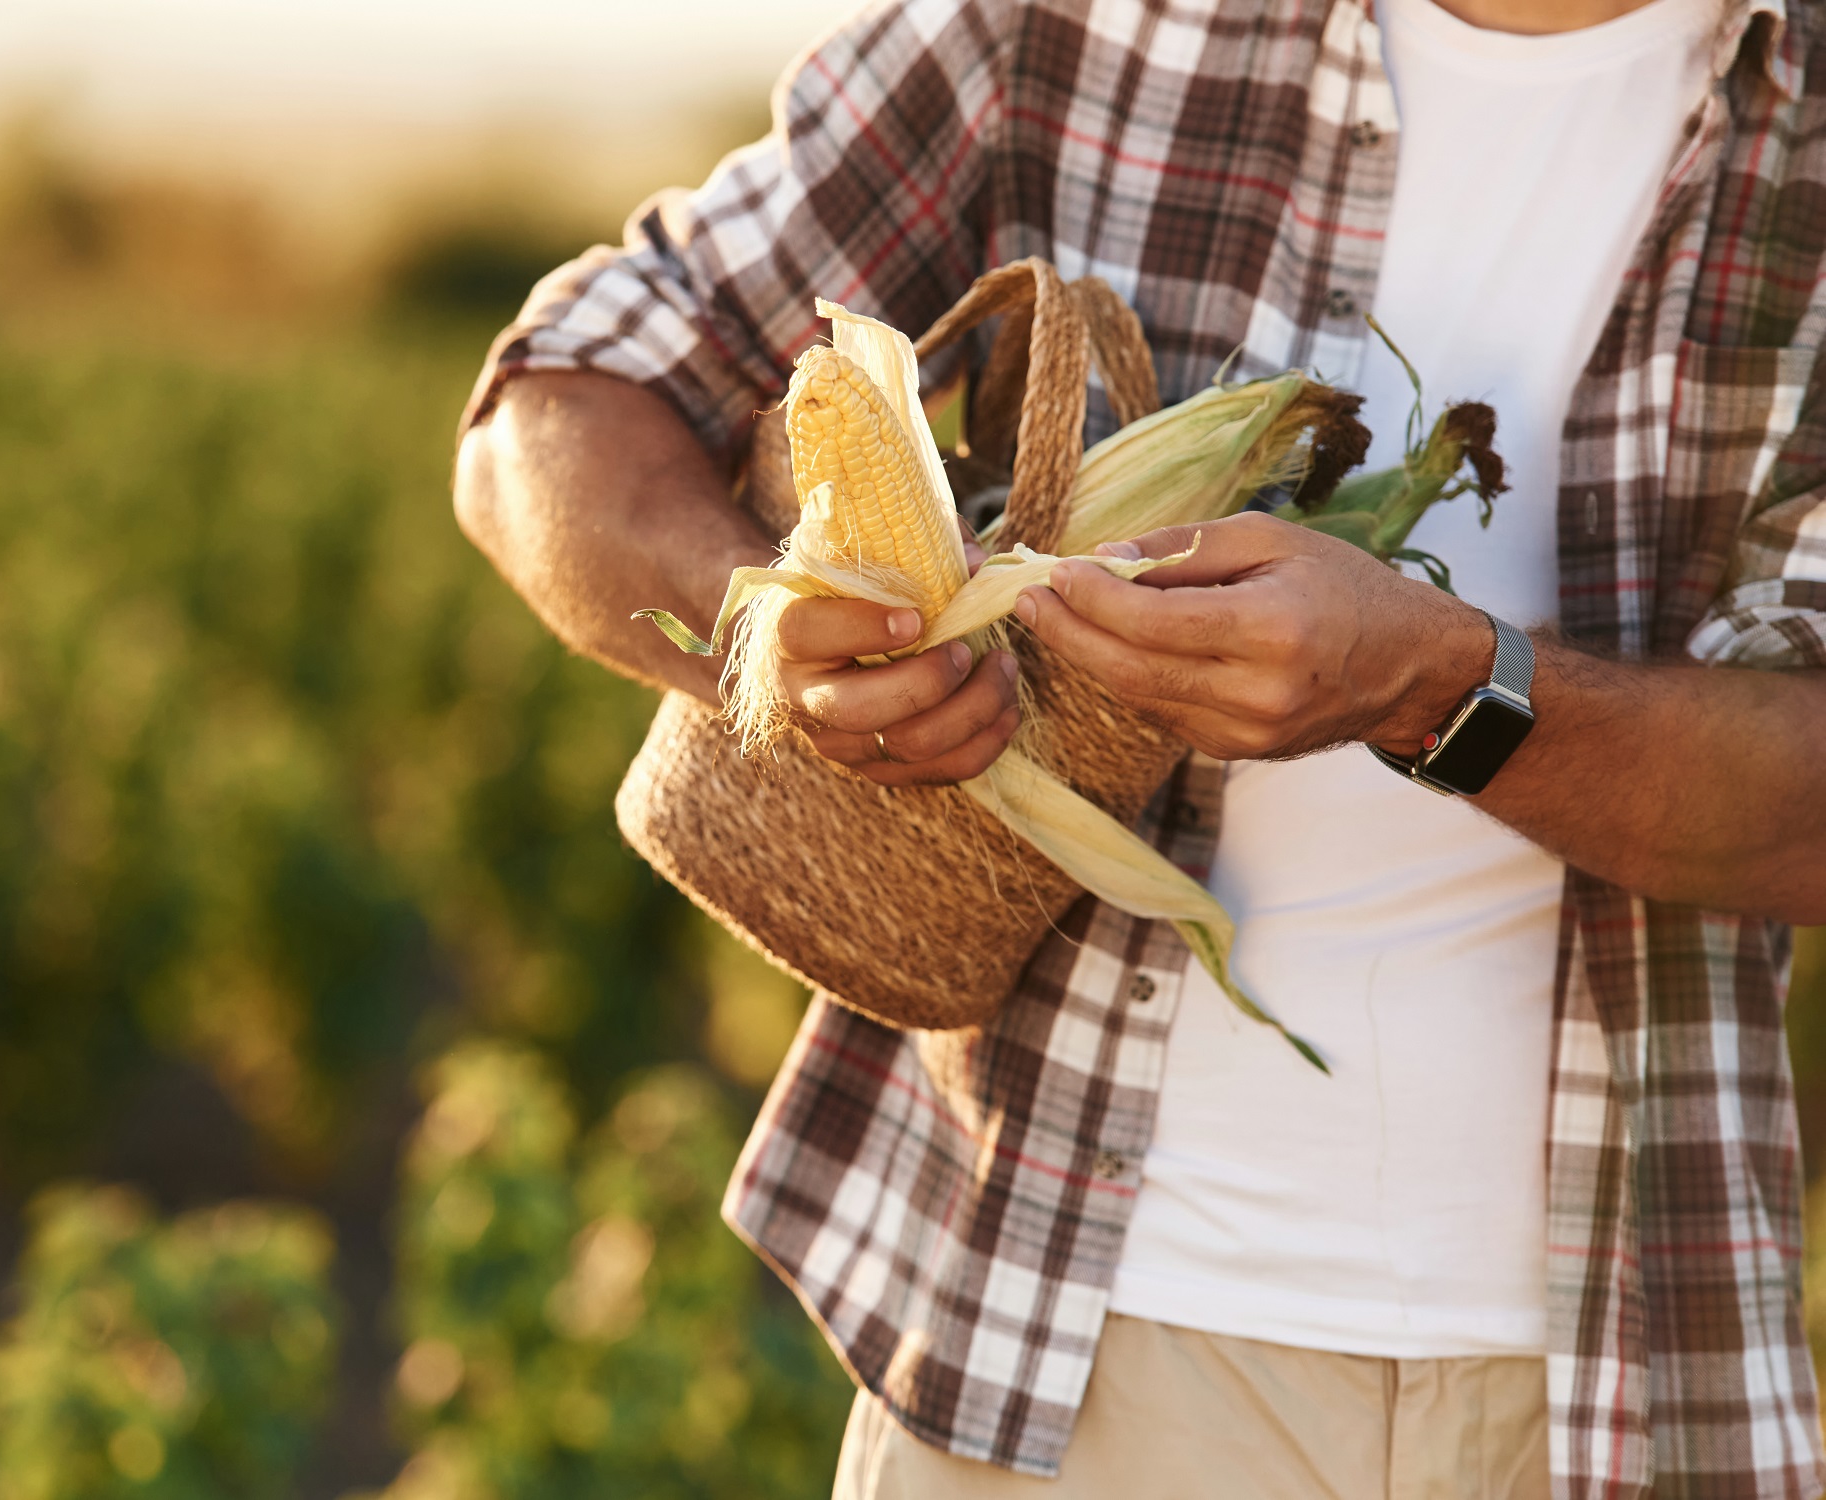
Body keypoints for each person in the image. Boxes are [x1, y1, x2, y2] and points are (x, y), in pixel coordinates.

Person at [451, 0, 1826, 1492]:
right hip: (1052, 1345)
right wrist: (759, 623)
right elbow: (560, 393)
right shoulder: (1076, 24)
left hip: (1615, 1382)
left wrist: (1431, 687)